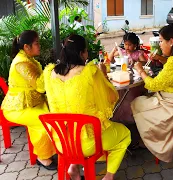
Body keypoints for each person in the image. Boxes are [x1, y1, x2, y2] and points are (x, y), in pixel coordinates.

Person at [43, 34, 131, 180]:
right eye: (86, 51)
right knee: (125, 135)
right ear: (81, 53)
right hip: (87, 143)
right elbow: (111, 97)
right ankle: (108, 177)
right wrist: (103, 75)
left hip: (61, 141)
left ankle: (73, 167)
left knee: (76, 121)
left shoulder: (50, 73)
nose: (87, 54)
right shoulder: (89, 72)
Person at [131, 25, 173, 162]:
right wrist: (160, 58)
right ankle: (149, 137)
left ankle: (150, 140)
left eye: (162, 41)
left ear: (171, 42)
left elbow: (153, 85)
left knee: (137, 103)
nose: (160, 44)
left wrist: (140, 70)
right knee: (148, 100)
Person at [1, 30, 57, 170]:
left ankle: (52, 150)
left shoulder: (28, 59)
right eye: (36, 43)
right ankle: (43, 157)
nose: (39, 46)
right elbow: (40, 86)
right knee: (46, 120)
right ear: (26, 47)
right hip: (17, 109)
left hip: (30, 103)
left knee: (56, 113)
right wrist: (49, 70)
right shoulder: (22, 63)